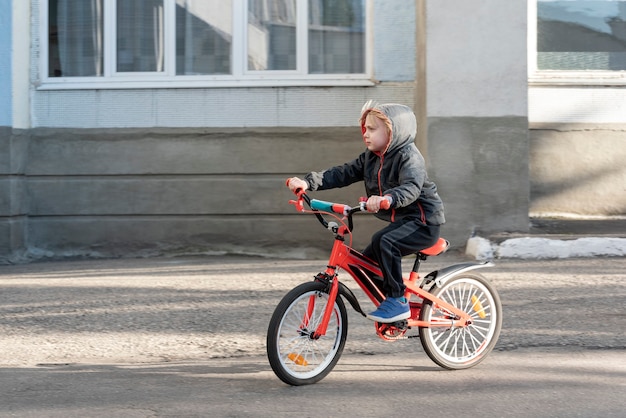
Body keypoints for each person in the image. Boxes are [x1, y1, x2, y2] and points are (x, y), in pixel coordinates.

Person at [287, 101, 445, 323]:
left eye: (372, 129)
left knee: (384, 241)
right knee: (367, 265)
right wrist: (307, 182)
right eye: (365, 128)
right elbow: (343, 173)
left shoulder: (409, 157)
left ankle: (397, 301)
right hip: (403, 221)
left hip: (424, 222)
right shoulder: (371, 157)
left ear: (392, 132)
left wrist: (387, 198)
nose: (365, 134)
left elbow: (410, 187)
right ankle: (394, 306)